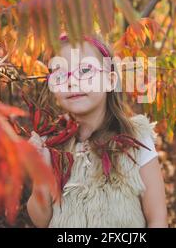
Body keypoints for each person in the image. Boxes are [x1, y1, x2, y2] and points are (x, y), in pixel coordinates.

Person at [26, 33, 168, 228]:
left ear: (110, 80)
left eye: (85, 70)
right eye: (59, 74)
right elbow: (42, 221)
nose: (71, 81)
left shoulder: (137, 138)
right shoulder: (48, 143)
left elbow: (157, 219)